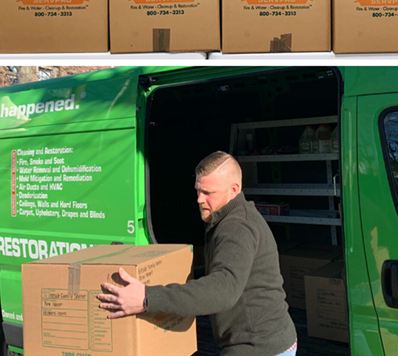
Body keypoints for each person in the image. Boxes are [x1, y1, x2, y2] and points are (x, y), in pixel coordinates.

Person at [97, 151, 298, 356]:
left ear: (233, 189)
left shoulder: (237, 228)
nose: (200, 199)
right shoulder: (230, 217)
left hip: (259, 347)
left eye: (208, 193)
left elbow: (222, 290)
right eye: (198, 191)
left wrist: (146, 298)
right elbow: (218, 270)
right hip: (267, 340)